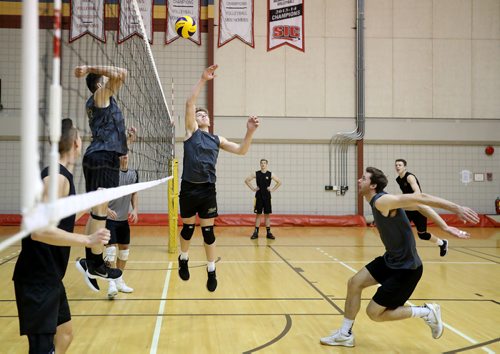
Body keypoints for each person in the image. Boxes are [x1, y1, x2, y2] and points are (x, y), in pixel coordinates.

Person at [320, 167, 479, 347]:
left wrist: (456, 209)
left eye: (363, 178)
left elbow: (422, 198)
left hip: (407, 269)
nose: (358, 180)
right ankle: (344, 334)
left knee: (374, 313)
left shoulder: (382, 201)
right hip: (391, 260)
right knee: (354, 283)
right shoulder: (380, 201)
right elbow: (420, 206)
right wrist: (444, 227)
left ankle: (427, 312)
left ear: (372, 185)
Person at [12, 118, 111, 354]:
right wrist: (87, 240)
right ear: (76, 143)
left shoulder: (60, 175)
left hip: (50, 276)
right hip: (37, 278)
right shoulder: (56, 177)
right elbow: (40, 231)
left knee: (65, 334)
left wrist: (90, 204)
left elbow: (61, 219)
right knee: (41, 348)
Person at [178, 64, 259, 292]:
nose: (202, 115)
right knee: (187, 230)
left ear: (209, 120)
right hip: (188, 188)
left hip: (207, 190)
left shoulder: (217, 139)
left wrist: (250, 132)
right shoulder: (191, 132)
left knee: (207, 232)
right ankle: (183, 258)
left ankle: (211, 270)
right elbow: (189, 103)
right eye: (199, 114)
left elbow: (242, 150)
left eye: (205, 114)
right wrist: (203, 79)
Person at [74, 65, 136, 291]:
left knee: (97, 210)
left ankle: (91, 262)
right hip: (101, 157)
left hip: (104, 157)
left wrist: (127, 140)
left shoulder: (105, 101)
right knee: (100, 210)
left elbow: (118, 77)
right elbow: (122, 73)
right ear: (100, 83)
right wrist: (89, 68)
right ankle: (96, 262)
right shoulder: (99, 96)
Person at [395, 159, 448, 256]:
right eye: (396, 165)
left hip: (419, 209)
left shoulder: (410, 177)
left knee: (422, 235)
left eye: (400, 165)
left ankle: (442, 243)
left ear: (404, 167)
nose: (397, 167)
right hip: (408, 208)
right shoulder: (398, 179)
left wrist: (405, 199)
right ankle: (402, 252)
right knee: (399, 229)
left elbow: (417, 192)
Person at [105, 153, 139, 299]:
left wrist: (135, 209)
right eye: (121, 154)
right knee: (111, 250)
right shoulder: (111, 173)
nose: (125, 156)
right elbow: (101, 193)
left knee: (124, 251)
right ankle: (111, 283)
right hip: (110, 218)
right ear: (117, 157)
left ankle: (119, 280)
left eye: (126, 154)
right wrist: (105, 209)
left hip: (123, 219)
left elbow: (134, 193)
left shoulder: (133, 174)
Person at [245, 159, 282, 239]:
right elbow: (247, 180)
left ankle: (268, 233)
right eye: (261, 163)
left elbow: (279, 182)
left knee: (267, 215)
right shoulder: (256, 173)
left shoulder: (270, 174)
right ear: (260, 164)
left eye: (264, 163)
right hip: (258, 196)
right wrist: (253, 188)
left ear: (266, 164)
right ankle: (256, 232)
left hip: (267, 196)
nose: (263, 164)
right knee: (258, 214)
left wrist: (272, 189)